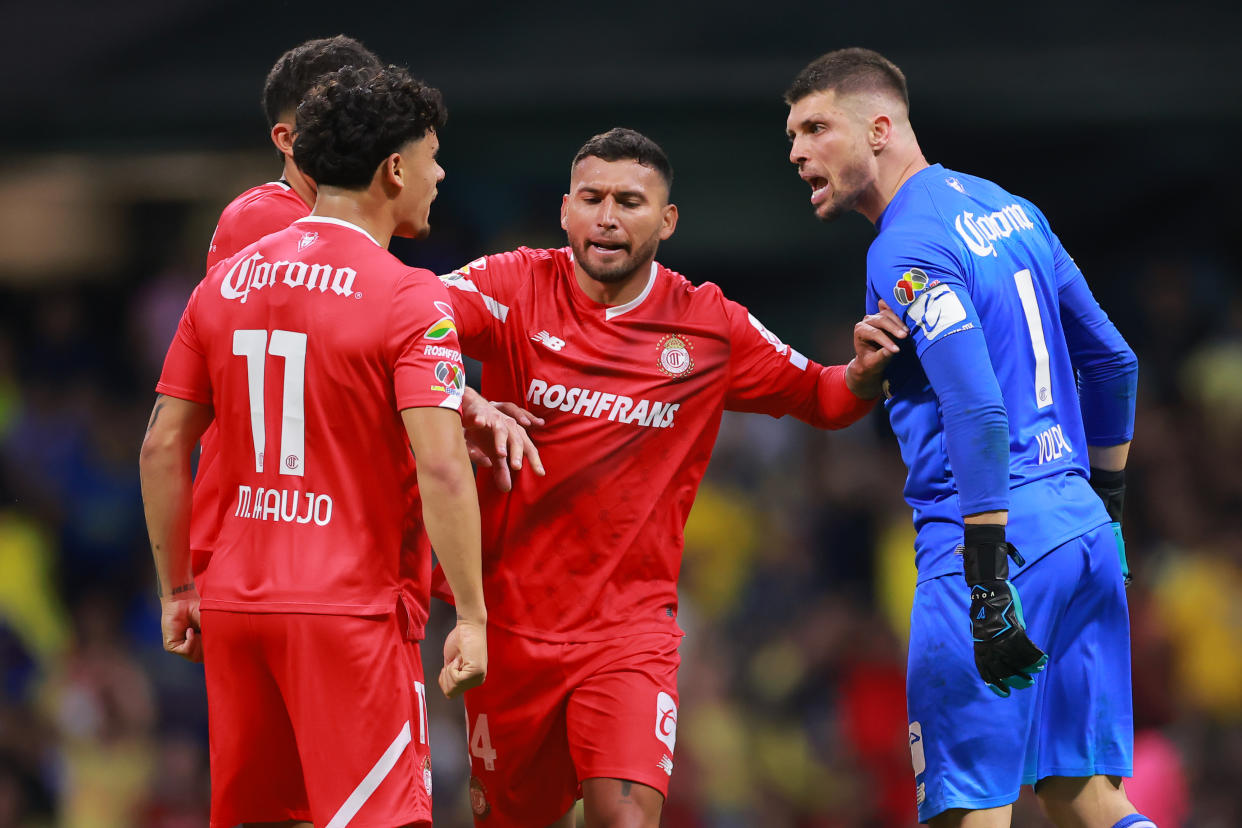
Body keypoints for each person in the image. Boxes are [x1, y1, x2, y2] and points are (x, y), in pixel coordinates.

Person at [433, 127, 908, 827]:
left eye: (631, 200)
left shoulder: (708, 325)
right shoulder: (511, 285)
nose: (609, 217)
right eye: (592, 198)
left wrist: (862, 374)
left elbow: (822, 395)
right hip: (510, 633)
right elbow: (409, 324)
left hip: (629, 634)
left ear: (667, 220)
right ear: (567, 211)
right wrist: (466, 399)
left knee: (625, 816)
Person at [784, 48, 1149, 828]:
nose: (797, 152)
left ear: (879, 128)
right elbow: (1113, 362)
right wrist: (1108, 507)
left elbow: (978, 409)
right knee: (1085, 798)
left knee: (966, 812)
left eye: (816, 128)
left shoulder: (904, 247)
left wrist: (985, 579)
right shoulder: (1013, 210)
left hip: (989, 551)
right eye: (792, 135)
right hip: (1081, 533)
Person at [140, 64, 487, 828]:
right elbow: (439, 462)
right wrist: (472, 614)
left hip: (234, 605)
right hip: (349, 614)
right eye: (432, 156)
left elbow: (163, 447)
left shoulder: (223, 282)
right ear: (394, 169)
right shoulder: (410, 295)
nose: (439, 175)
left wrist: (177, 592)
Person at [193, 34, 534, 590]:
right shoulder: (265, 222)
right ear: (288, 138)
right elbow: (324, 356)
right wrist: (456, 397)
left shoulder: (352, 236)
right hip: (276, 538)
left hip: (323, 536)